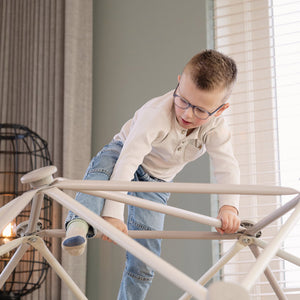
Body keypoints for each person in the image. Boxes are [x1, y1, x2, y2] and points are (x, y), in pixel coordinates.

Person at [62, 49, 241, 300]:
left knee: (146, 256)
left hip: (157, 182)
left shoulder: (217, 129)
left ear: (220, 110)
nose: (187, 114)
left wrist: (229, 207)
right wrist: (113, 215)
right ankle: (78, 225)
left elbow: (227, 166)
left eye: (200, 110)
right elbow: (128, 161)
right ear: (179, 82)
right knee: (100, 176)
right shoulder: (155, 113)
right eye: (183, 101)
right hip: (123, 153)